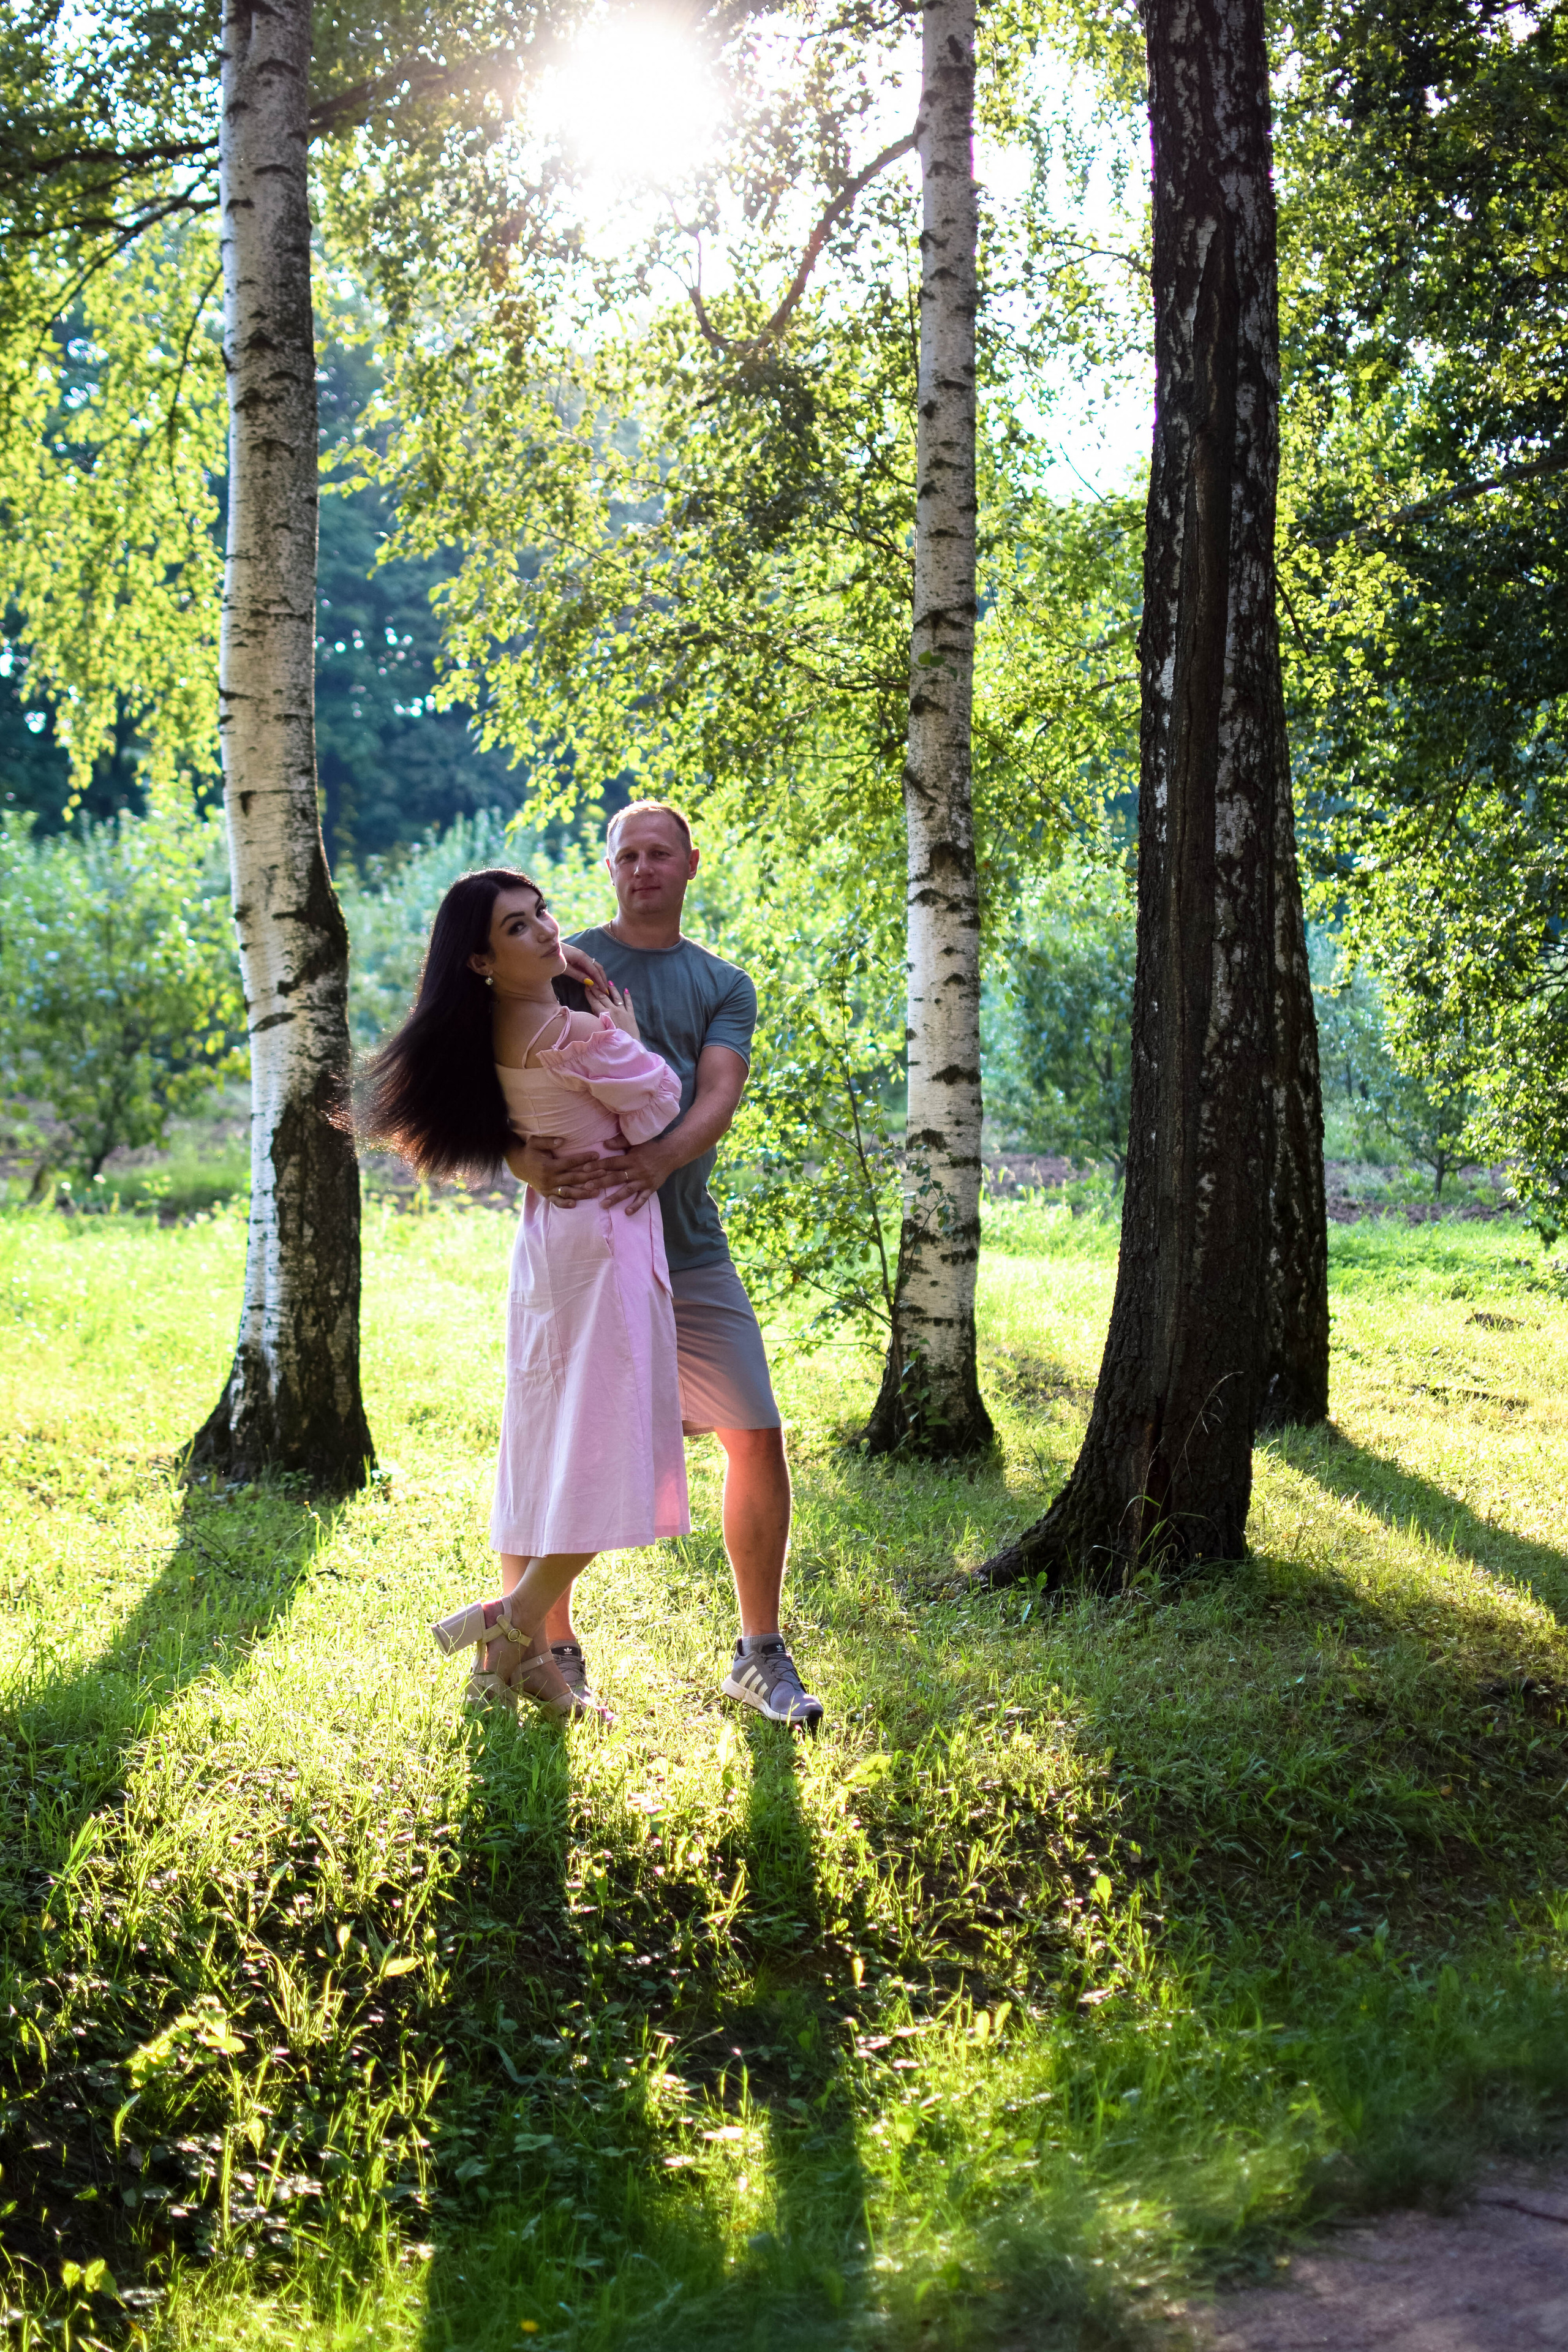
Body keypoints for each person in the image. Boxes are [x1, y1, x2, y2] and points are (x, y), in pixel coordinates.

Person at [513, 799, 824, 1733]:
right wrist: (518, 1158)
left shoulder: (723, 983)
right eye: (626, 855)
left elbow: (717, 1096)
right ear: (607, 867)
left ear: (691, 864)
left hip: (686, 1247)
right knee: (556, 1441)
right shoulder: (558, 967)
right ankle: (549, 1651)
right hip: (581, 1253)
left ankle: (759, 1654)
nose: (642, 868)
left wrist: (657, 1161)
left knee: (755, 1432)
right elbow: (496, 1076)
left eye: (660, 854)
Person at [361, 864, 689, 1722]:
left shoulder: (491, 1026)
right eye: (519, 926)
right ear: (478, 959)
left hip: (551, 1243)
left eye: (543, 913)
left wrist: (559, 960)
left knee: (548, 1445)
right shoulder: (569, 1034)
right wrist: (625, 1024)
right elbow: (658, 1105)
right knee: (606, 1446)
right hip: (605, 1241)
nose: (546, 929)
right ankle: (509, 1619)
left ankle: (515, 1666)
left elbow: (532, 989)